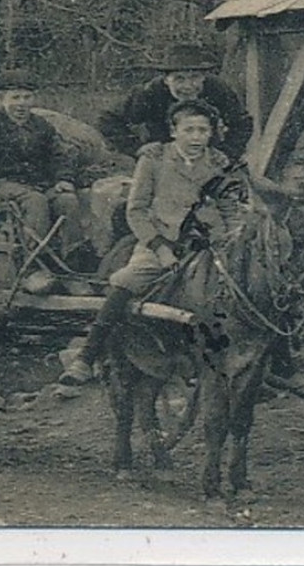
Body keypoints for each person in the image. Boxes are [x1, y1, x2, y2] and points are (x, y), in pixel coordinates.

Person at [61, 99, 231, 386]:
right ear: (174, 131)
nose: (196, 137)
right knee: (126, 280)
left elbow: (230, 206)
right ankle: (86, 357)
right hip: (161, 241)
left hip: (208, 244)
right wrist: (160, 248)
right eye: (189, 130)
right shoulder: (153, 160)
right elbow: (136, 210)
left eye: (203, 130)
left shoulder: (219, 163)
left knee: (246, 287)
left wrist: (226, 239)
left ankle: (271, 364)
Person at [0, 69, 82, 289]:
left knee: (68, 201)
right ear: (2, 99)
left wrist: (64, 179)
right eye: (15, 97)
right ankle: (30, 269)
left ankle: (71, 266)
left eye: (27, 97)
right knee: (35, 202)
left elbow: (61, 155)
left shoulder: (41, 126)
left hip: (39, 185)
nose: (21, 104)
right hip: (6, 183)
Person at [99, 42, 254, 160]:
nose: (188, 86)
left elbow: (242, 123)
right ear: (166, 80)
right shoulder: (150, 92)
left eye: (194, 77)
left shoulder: (216, 89)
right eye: (179, 79)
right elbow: (108, 120)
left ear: (203, 77)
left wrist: (226, 152)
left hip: (207, 155)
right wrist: (137, 148)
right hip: (163, 157)